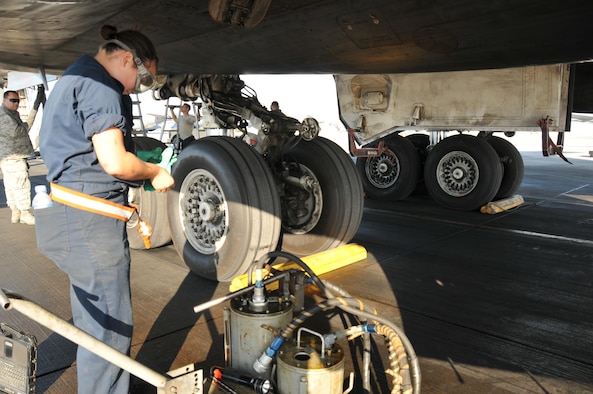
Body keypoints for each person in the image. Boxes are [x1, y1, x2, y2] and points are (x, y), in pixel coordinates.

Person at [35, 25, 174, 394]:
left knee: (93, 324)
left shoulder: (75, 76)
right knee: (109, 333)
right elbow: (114, 162)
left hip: (70, 214)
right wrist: (154, 172)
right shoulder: (101, 86)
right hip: (90, 226)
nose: (134, 89)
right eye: (142, 81)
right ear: (128, 60)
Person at [0, 87, 45, 225]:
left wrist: (37, 103)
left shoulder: (12, 113)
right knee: (21, 185)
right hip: (14, 157)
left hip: (9, 158)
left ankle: (16, 212)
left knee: (11, 185)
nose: (16, 103)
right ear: (4, 100)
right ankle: (24, 212)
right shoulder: (5, 116)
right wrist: (34, 110)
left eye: (17, 101)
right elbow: (20, 130)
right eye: (13, 100)